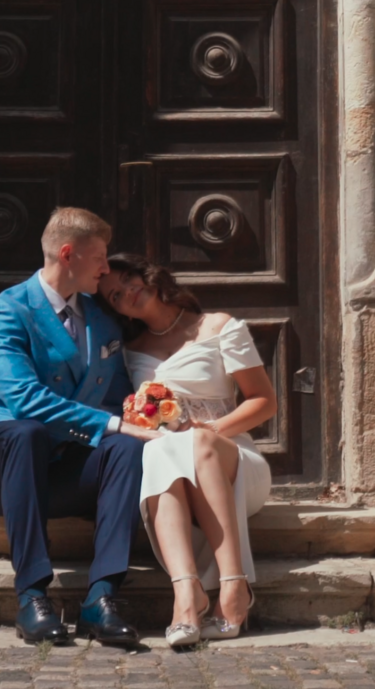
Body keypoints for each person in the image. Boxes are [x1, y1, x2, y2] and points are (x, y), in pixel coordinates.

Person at [0, 207, 160, 648]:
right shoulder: (5, 312)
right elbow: (24, 401)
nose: (105, 268)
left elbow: (117, 397)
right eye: (99, 256)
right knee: (28, 432)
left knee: (125, 448)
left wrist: (153, 417)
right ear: (68, 254)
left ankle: (101, 598)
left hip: (62, 467)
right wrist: (114, 423)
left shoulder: (102, 320)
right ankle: (31, 597)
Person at [100, 252, 277, 649]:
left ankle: (234, 584)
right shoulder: (127, 351)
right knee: (158, 450)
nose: (126, 292)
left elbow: (265, 402)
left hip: (234, 461)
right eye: (114, 296)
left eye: (127, 279)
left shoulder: (218, 326)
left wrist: (210, 429)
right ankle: (186, 594)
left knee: (195, 442)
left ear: (146, 274)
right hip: (172, 469)